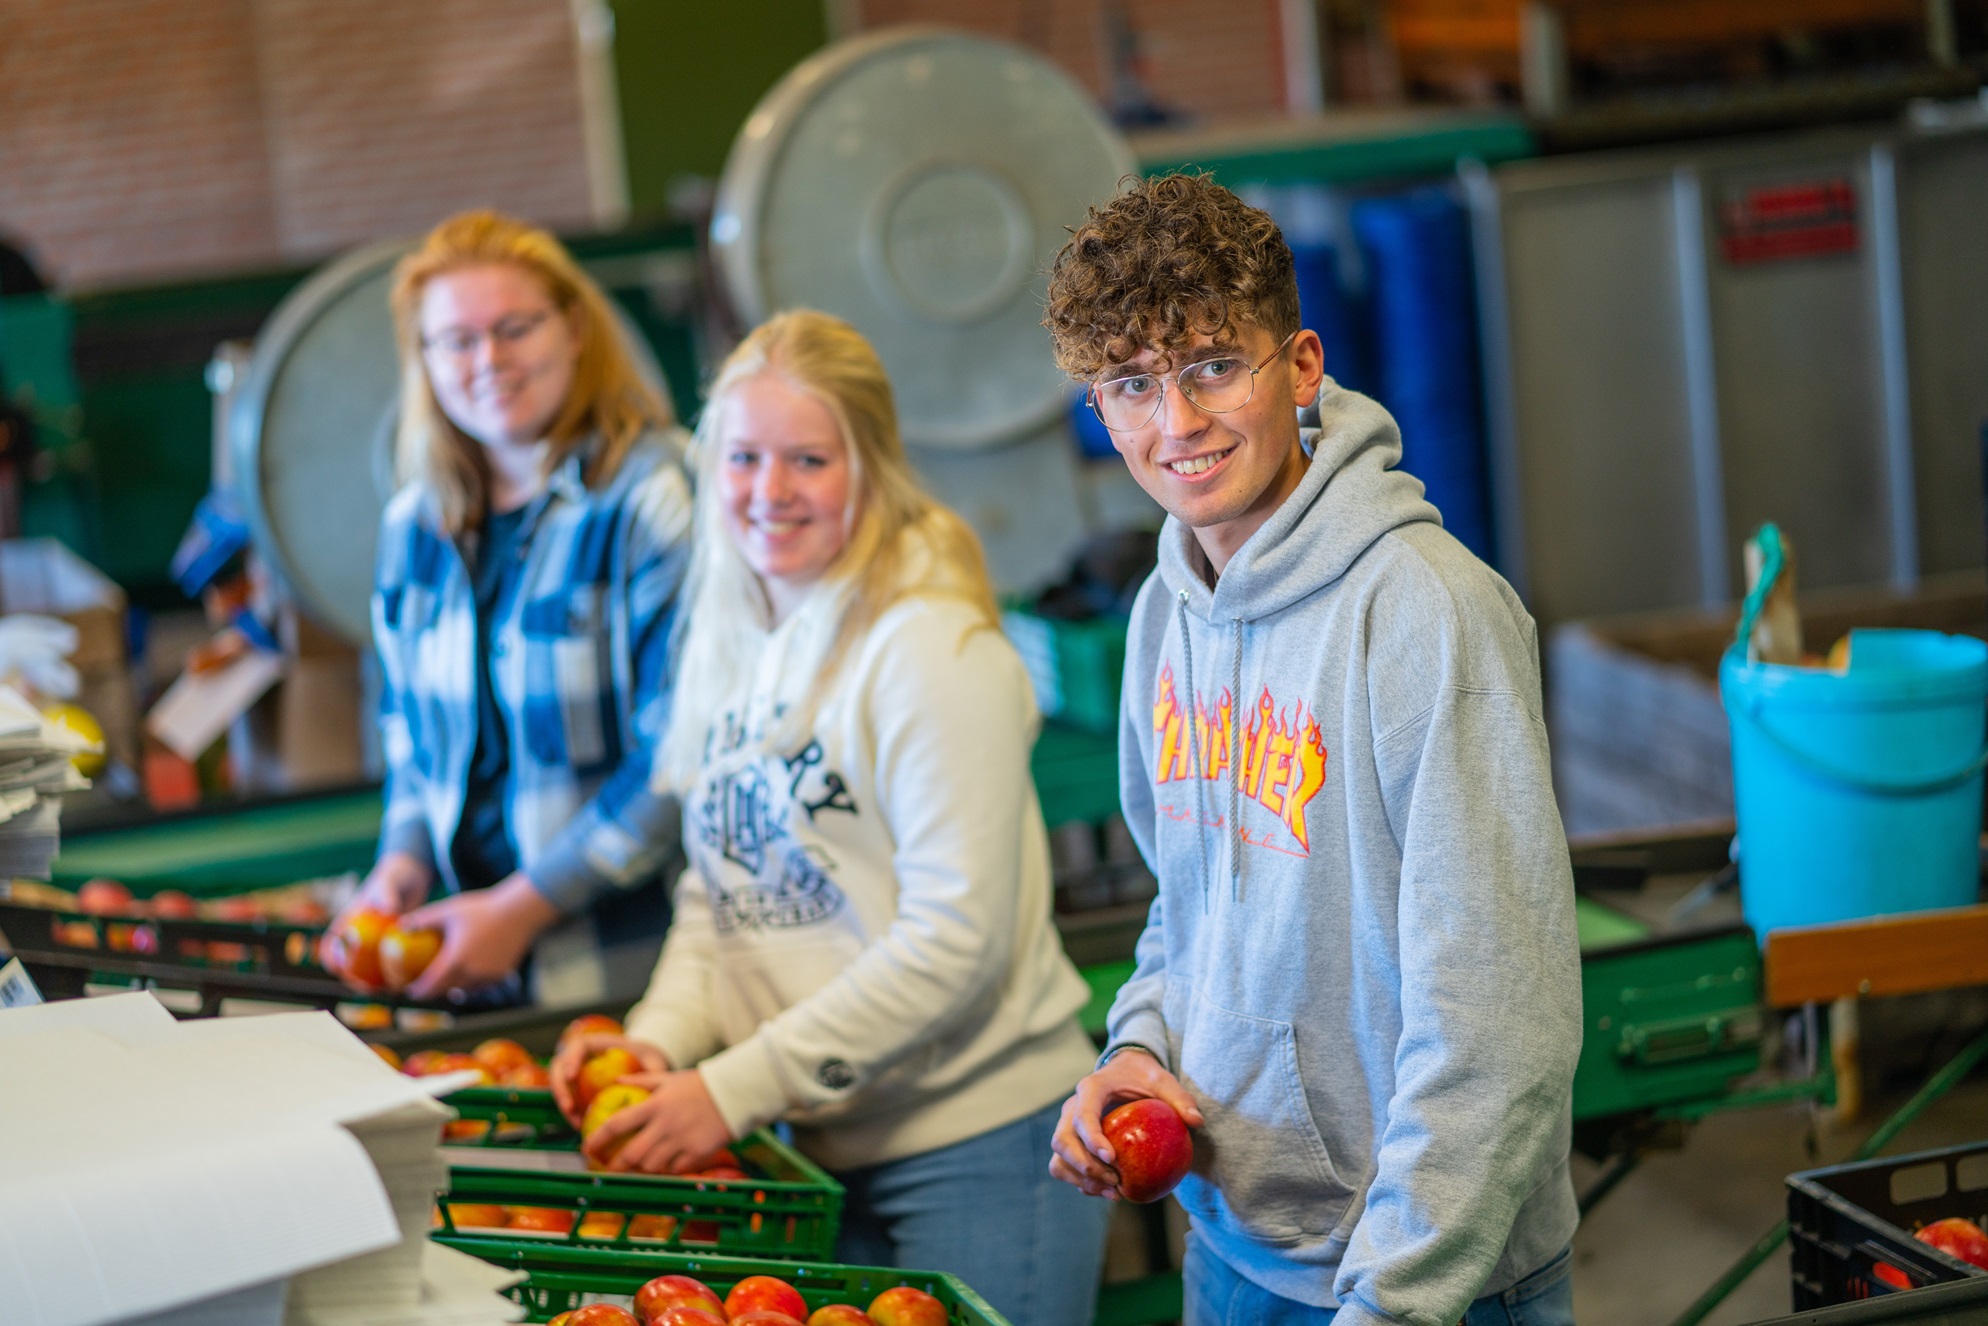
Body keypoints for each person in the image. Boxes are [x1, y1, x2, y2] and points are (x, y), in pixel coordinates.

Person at [1043, 174, 1582, 1326]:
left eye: (1210, 367)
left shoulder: (1427, 612)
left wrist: (1395, 1297)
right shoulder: (1161, 612)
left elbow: (1500, 1012)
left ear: (1297, 366)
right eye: (1131, 385)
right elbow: (1188, 913)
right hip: (1232, 1248)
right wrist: (1137, 1048)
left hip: (1426, 1284)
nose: (1174, 423)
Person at [550, 309, 1112, 1326]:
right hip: (813, 1150)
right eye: (743, 457)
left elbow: (957, 943)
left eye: (807, 458)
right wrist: (658, 1043)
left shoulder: (927, 650)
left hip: (976, 1143)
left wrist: (730, 1089)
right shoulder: (729, 644)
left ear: (870, 465)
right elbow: (715, 896)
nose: (768, 491)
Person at [327, 210, 692, 1005]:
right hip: (463, 971)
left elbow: (677, 761)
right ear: (423, 359)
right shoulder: (415, 522)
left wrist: (521, 910)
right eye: (455, 340)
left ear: (572, 328)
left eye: (514, 328)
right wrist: (402, 862)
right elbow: (408, 733)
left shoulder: (652, 499)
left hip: (627, 975)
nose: (487, 359)